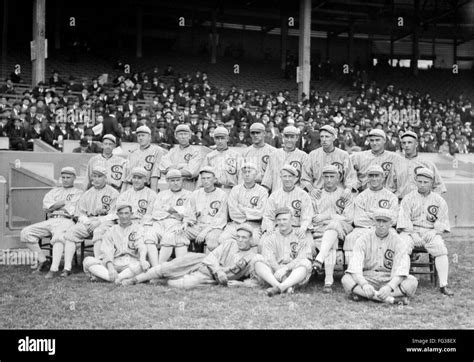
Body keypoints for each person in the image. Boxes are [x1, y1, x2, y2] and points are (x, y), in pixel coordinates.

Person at [121, 223, 258, 288]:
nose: (240, 240)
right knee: (168, 267)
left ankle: (160, 281)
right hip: (202, 262)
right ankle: (135, 280)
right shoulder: (229, 243)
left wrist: (241, 284)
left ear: (251, 239)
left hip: (210, 276)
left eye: (244, 238)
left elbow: (257, 281)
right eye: (238, 237)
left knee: (184, 284)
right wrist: (218, 270)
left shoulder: (253, 256)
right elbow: (211, 257)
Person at [342, 208, 418, 304]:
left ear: (391, 223)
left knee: (412, 282)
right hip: (368, 277)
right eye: (378, 221)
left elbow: (402, 270)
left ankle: (365, 295)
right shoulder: (363, 239)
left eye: (385, 221)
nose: (381, 224)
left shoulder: (399, 241)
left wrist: (389, 286)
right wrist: (364, 284)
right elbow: (355, 267)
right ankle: (392, 299)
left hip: (389, 277)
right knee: (346, 279)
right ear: (374, 222)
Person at [397, 168, 454, 296]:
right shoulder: (408, 198)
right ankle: (402, 280)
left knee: (441, 248)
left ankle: (443, 285)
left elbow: (442, 221)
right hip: (410, 231)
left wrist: (434, 231)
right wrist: (413, 234)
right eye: (420, 181)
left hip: (430, 231)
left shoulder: (439, 201)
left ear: (432, 183)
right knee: (402, 245)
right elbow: (404, 219)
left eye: (425, 182)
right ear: (416, 181)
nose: (422, 185)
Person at [20, 167, 83, 274]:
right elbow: (46, 207)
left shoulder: (78, 192)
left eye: (68, 177)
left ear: (74, 178)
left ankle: (56, 268)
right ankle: (43, 261)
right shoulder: (54, 191)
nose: (65, 180)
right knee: (25, 232)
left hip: (66, 220)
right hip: (51, 220)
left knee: (58, 237)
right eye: (63, 177)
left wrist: (54, 206)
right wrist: (62, 203)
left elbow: (72, 210)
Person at [310, 165, 355, 293]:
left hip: (343, 229)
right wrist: (331, 219)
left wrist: (327, 216)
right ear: (323, 178)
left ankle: (320, 258)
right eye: (326, 177)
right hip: (322, 230)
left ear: (338, 178)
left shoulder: (346, 194)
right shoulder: (316, 194)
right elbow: (312, 217)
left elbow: (348, 218)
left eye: (332, 176)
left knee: (334, 225)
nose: (329, 180)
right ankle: (328, 281)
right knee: (331, 238)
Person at [343, 165, 399, 263]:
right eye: (371, 176)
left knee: (395, 239)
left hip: (385, 229)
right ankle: (352, 271)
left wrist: (369, 215)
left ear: (383, 177)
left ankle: (389, 271)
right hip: (363, 229)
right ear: (368, 178)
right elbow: (358, 220)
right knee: (350, 238)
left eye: (377, 176)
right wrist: (381, 216)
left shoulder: (391, 197)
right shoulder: (361, 197)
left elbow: (393, 219)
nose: (374, 179)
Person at [252, 207, 313, 296]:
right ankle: (284, 287)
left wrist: (285, 269)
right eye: (279, 220)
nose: (281, 222)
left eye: (285, 219)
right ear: (276, 221)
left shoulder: (300, 236)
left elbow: (301, 257)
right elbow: (269, 258)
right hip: (274, 274)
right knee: (257, 259)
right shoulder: (270, 236)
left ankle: (278, 288)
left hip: (293, 274)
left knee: (306, 262)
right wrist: (279, 270)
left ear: (291, 220)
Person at [82, 203, 150, 283]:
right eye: (121, 213)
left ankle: (114, 278)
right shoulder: (111, 230)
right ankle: (116, 278)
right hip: (114, 262)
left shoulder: (138, 228)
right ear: (117, 215)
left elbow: (141, 246)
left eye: (126, 213)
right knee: (88, 261)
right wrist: (111, 269)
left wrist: (142, 260)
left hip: (131, 263)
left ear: (131, 214)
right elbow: (107, 251)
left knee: (141, 266)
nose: (124, 216)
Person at [64, 166, 119, 258]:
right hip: (89, 221)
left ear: (105, 178)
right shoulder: (87, 193)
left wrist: (98, 222)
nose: (96, 179)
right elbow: (80, 213)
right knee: (71, 231)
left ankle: (98, 262)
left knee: (98, 231)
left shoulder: (113, 193)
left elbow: (114, 214)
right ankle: (67, 268)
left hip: (106, 221)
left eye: (99, 176)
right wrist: (88, 222)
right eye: (94, 176)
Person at [144, 169, 191, 265]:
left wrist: (169, 209)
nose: (175, 183)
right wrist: (176, 211)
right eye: (172, 180)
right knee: (149, 236)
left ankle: (160, 267)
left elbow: (187, 212)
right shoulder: (162, 194)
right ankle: (155, 266)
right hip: (159, 222)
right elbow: (156, 213)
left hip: (176, 223)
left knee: (168, 237)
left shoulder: (189, 194)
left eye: (178, 180)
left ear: (182, 180)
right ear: (167, 182)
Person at [301, 124, 358, 202]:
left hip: (338, 195)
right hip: (318, 195)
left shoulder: (343, 155)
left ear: (334, 138)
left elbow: (350, 176)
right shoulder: (313, 155)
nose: (324, 139)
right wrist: (311, 189)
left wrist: (348, 189)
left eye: (327, 137)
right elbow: (305, 178)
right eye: (322, 137)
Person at [262, 164, 313, 245]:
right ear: (281, 178)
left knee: (310, 245)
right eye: (284, 176)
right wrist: (269, 228)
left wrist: (303, 229)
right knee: (263, 243)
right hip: (278, 228)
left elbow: (307, 216)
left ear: (295, 178)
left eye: (290, 176)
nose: (287, 179)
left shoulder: (303, 195)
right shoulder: (274, 196)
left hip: (297, 228)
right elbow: (268, 216)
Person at [220, 162, 268, 247]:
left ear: (256, 174)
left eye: (250, 172)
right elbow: (233, 213)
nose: (247, 174)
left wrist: (243, 209)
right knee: (223, 239)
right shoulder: (235, 189)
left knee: (255, 241)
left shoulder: (262, 191)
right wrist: (251, 212)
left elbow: (261, 213)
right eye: (245, 172)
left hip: (254, 225)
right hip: (236, 224)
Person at [182, 166, 228, 253]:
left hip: (213, 227)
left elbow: (221, 219)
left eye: (208, 178)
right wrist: (186, 222)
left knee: (212, 241)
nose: (206, 181)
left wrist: (205, 232)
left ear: (214, 179)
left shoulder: (222, 195)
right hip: (197, 226)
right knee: (178, 234)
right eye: (203, 178)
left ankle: (208, 264)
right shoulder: (195, 194)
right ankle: (185, 262)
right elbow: (190, 213)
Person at [396, 131, 447, 200]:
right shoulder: (397, 164)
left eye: (410, 142)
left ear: (416, 144)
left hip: (422, 202)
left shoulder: (426, 163)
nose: (406, 145)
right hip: (401, 203)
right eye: (404, 143)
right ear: (402, 145)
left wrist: (432, 200)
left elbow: (439, 186)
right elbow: (390, 187)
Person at [350, 129, 402, 193]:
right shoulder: (359, 156)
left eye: (377, 140)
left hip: (386, 195)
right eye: (372, 140)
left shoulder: (394, 157)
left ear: (384, 140)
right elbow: (348, 173)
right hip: (364, 193)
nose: (374, 143)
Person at [261, 126, 308, 192]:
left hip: (294, 197)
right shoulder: (274, 154)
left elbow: (305, 181)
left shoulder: (303, 156)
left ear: (297, 138)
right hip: (276, 196)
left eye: (292, 137)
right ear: (283, 137)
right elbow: (267, 180)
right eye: (286, 137)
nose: (289, 140)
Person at [159, 124, 203, 190]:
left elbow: (191, 172)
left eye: (185, 134)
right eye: (180, 134)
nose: (183, 136)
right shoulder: (172, 151)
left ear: (190, 136)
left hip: (188, 186)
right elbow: (163, 167)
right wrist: (182, 166)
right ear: (176, 136)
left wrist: (173, 167)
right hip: (172, 187)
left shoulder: (195, 152)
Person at [121, 126, 164, 192]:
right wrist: (122, 193)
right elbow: (126, 175)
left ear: (149, 137)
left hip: (146, 187)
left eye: (143, 135)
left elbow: (155, 174)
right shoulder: (132, 152)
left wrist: (153, 193)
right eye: (139, 136)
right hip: (131, 188)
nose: (140, 138)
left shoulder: (157, 151)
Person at [200, 126, 241, 192]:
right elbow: (202, 177)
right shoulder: (209, 156)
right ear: (214, 139)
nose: (220, 141)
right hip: (214, 190)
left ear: (227, 139)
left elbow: (241, 177)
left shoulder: (236, 156)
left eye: (222, 138)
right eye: (217, 138)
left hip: (231, 190)